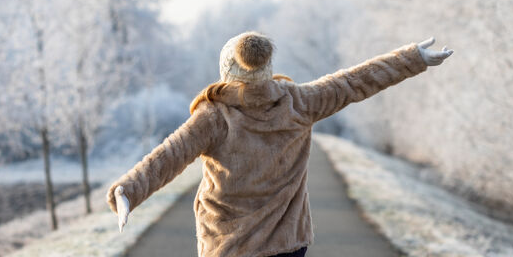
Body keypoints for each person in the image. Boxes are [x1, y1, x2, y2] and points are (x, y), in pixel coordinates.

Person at [107, 31, 453, 257]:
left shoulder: (214, 116)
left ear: (226, 70)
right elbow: (355, 81)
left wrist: (128, 190)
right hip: (288, 244)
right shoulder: (299, 102)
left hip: (227, 245)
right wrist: (413, 59)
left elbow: (169, 156)